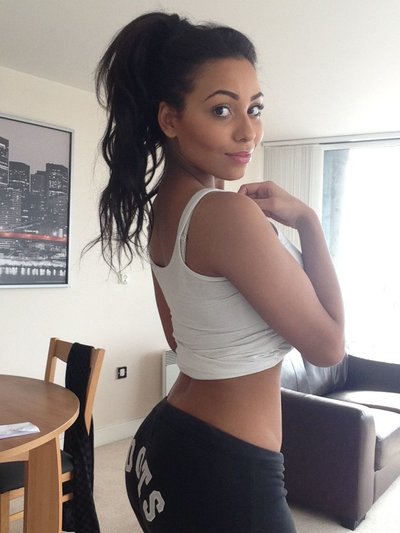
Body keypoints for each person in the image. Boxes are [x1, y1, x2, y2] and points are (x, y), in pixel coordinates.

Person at [94, 11, 345, 533]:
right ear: (170, 119)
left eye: (255, 108)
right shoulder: (225, 214)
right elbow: (329, 348)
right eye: (222, 109)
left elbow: (179, 339)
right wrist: (308, 222)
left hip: (160, 447)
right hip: (226, 474)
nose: (248, 130)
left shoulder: (166, 210)